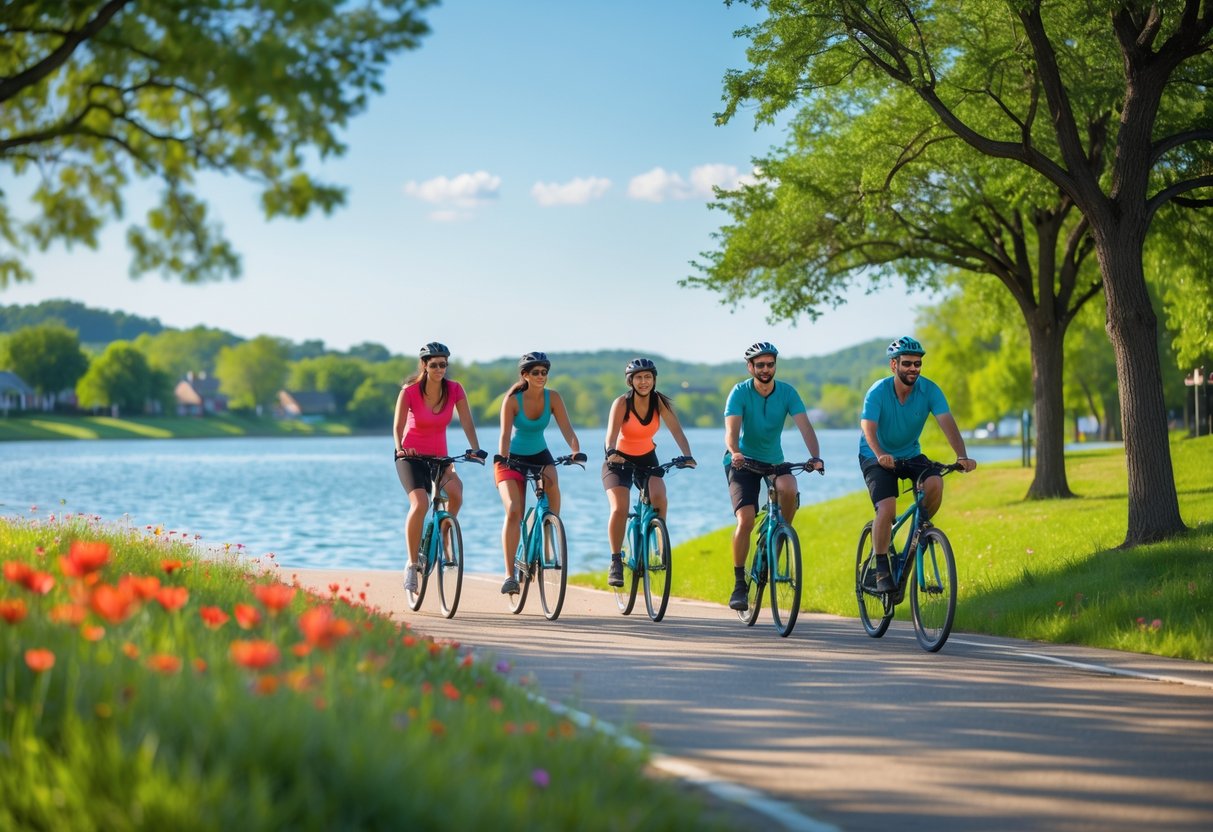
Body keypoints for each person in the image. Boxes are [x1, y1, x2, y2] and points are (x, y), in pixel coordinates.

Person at [859, 336, 977, 592]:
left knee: (935, 482)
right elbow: (868, 428)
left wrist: (962, 455)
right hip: (875, 454)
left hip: (910, 454)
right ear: (894, 366)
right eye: (908, 363)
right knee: (887, 509)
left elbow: (947, 423)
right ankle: (880, 567)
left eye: (918, 363)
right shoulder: (878, 391)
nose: (914, 368)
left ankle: (920, 532)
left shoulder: (930, 390)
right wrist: (880, 453)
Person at [723, 342, 824, 611]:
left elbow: (805, 427)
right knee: (745, 519)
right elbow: (731, 432)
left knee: (789, 487)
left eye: (770, 364)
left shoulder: (788, 392)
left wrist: (815, 455)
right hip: (742, 461)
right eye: (760, 365)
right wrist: (735, 451)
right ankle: (739, 583)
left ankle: (780, 534)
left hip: (773, 461)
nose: (766, 369)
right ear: (750, 367)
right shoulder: (740, 392)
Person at [393, 342, 483, 594]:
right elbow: (397, 427)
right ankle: (412, 564)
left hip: (439, 457)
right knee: (420, 504)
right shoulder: (409, 391)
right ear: (424, 365)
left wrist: (475, 447)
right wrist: (400, 447)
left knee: (456, 493)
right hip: (410, 456)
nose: (440, 369)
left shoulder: (454, 389)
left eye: (443, 364)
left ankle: (444, 533)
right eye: (434, 365)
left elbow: (466, 421)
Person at [603, 358, 697, 587]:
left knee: (659, 496)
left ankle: (660, 544)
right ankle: (616, 560)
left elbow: (677, 430)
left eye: (648, 377)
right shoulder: (622, 403)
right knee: (620, 507)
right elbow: (611, 434)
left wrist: (687, 454)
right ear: (630, 381)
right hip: (618, 461)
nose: (644, 382)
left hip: (647, 458)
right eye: (638, 377)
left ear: (654, 379)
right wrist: (611, 452)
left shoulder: (659, 402)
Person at [494, 351, 582, 595]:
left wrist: (576, 450)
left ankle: (549, 530)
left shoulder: (552, 397)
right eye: (536, 373)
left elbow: (568, 429)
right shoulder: (512, 400)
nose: (541, 376)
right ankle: (509, 575)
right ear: (525, 375)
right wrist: (503, 456)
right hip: (511, 458)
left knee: (552, 486)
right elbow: (504, 434)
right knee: (514, 511)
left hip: (540, 455)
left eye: (544, 372)